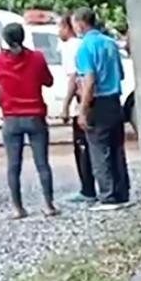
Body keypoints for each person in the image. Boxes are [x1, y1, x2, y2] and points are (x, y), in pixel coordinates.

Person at [0, 24, 56, 219]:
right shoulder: (36, 58)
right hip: (35, 116)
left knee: (13, 165)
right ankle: (48, 205)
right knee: (42, 163)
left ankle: (18, 208)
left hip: (11, 118)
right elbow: (48, 81)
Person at [71, 7, 130, 211]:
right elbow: (120, 74)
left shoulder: (85, 48)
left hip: (98, 102)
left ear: (80, 23)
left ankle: (108, 195)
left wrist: (83, 109)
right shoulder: (110, 44)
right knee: (117, 148)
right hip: (114, 100)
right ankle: (122, 192)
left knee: (98, 150)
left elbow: (89, 80)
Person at [59, 13, 95, 203]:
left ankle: (87, 190)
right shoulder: (81, 45)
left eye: (61, 27)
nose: (59, 32)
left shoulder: (71, 47)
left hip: (80, 105)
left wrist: (66, 105)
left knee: (81, 147)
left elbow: (75, 78)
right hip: (87, 102)